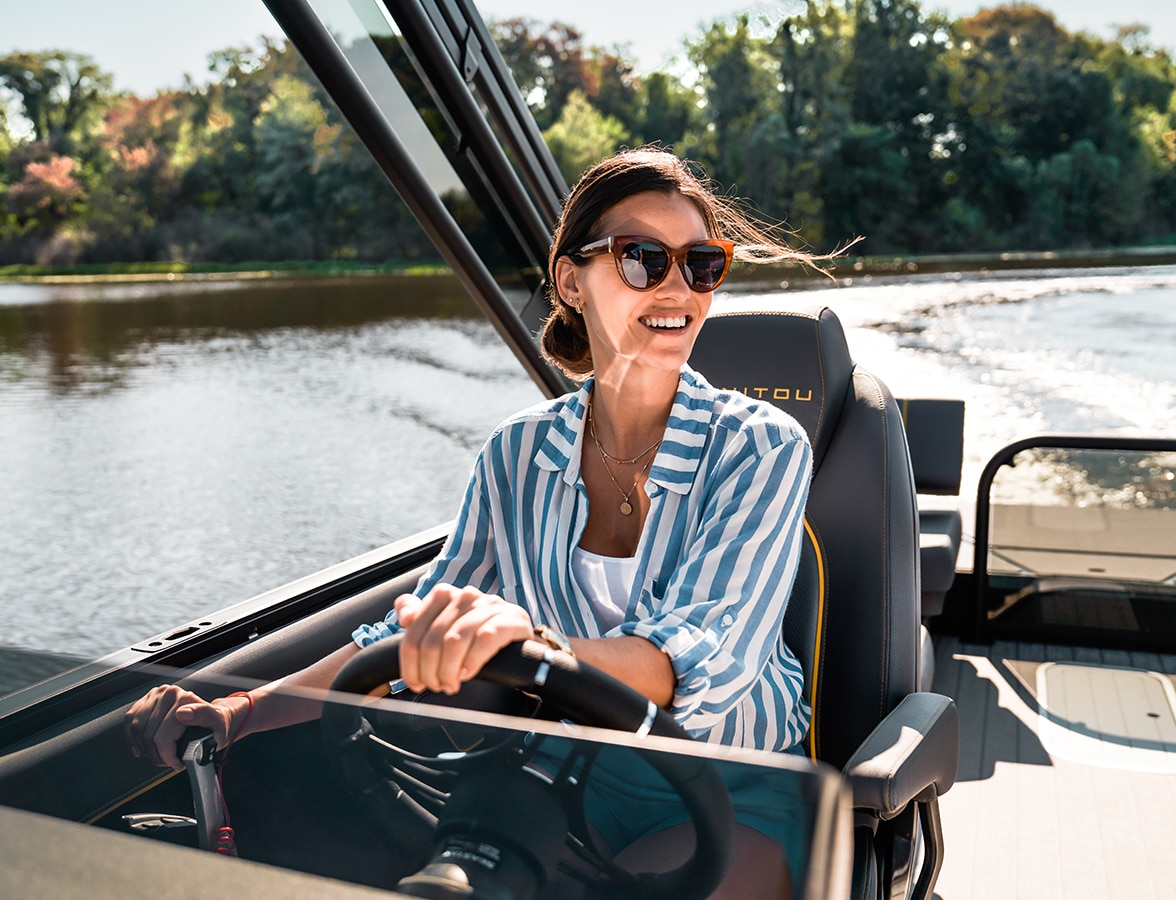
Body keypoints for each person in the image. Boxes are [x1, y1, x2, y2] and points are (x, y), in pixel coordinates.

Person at [126, 146, 820, 897]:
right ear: (570, 280)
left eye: (702, 263)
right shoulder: (516, 453)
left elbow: (697, 665)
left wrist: (532, 645)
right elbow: (402, 636)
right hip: (561, 776)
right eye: (644, 258)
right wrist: (237, 713)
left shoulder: (762, 446)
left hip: (727, 787)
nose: (679, 286)